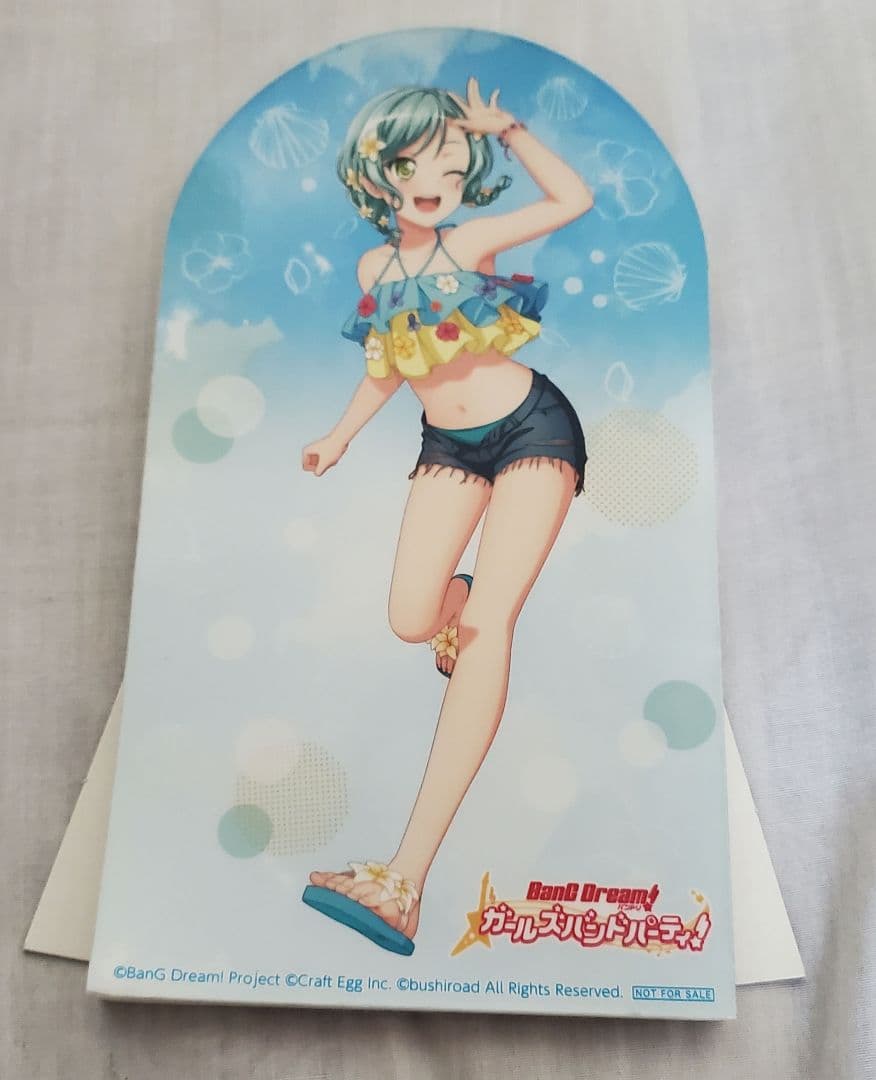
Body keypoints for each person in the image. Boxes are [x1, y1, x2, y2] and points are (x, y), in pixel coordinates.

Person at [300, 77, 593, 955]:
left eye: (454, 167)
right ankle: (462, 605)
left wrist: (512, 131)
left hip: (534, 428)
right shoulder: (374, 271)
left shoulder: (469, 242)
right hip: (449, 447)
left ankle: (404, 882)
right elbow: (389, 365)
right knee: (410, 618)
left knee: (488, 629)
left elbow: (573, 199)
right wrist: (340, 435)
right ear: (377, 173)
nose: (435, 181)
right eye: (413, 164)